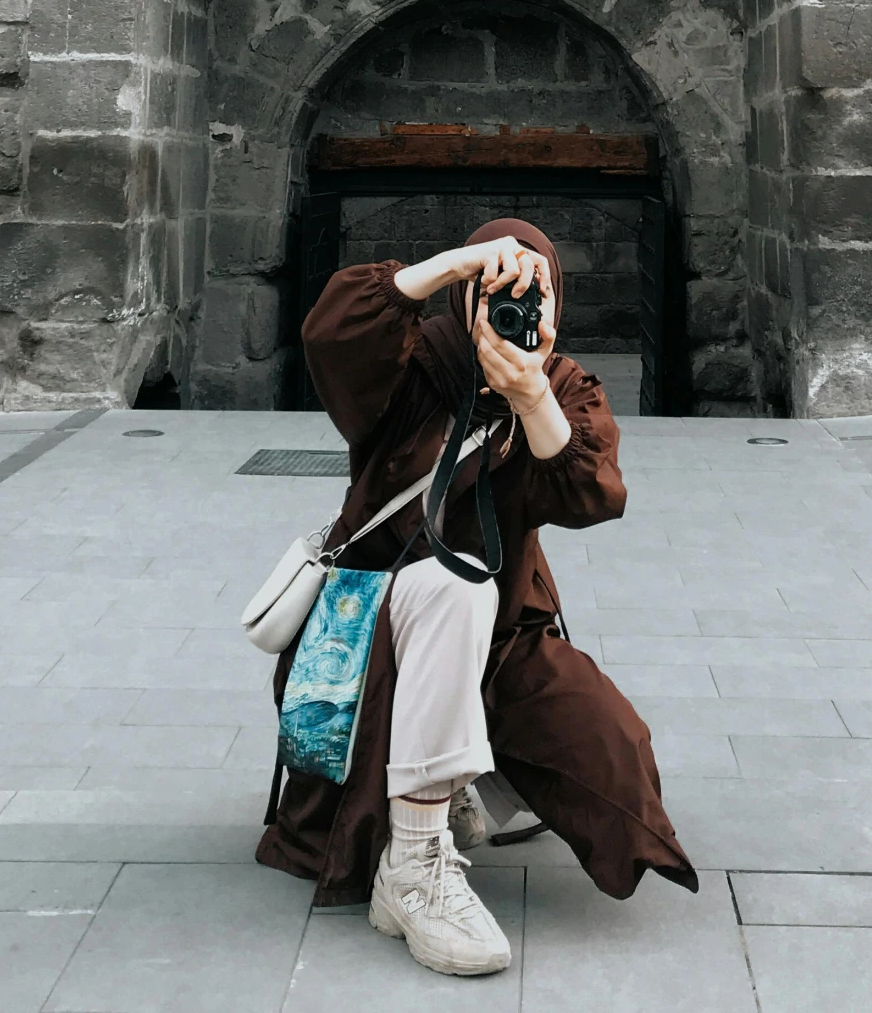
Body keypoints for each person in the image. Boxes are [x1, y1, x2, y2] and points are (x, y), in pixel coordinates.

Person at [256, 217, 697, 978]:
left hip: (502, 638)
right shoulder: (414, 366)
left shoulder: (561, 386)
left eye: (535, 295)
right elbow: (331, 329)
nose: (512, 310)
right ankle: (416, 863)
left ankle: (454, 778)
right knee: (451, 582)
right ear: (463, 299)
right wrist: (454, 262)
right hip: (377, 635)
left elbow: (594, 494)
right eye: (496, 293)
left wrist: (530, 398)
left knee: (610, 747)